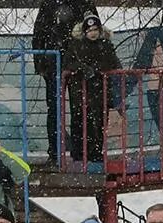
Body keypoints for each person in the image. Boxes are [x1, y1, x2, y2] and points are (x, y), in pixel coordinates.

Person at [33, 0, 100, 152]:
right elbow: (39, 33)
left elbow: (95, 29)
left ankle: (80, 151)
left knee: (81, 108)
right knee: (56, 110)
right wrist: (40, 64)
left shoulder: (84, 3)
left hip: (78, 64)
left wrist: (92, 61)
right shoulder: (49, 4)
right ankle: (56, 151)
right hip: (54, 64)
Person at [61, 13, 121, 163]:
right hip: (81, 92)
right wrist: (82, 69)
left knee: (99, 122)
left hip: (100, 91)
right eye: (89, 30)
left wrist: (97, 69)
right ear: (84, 32)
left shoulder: (105, 45)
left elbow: (114, 63)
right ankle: (79, 153)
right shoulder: (76, 46)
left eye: (95, 29)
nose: (93, 33)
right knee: (80, 121)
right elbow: (68, 63)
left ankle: (95, 152)